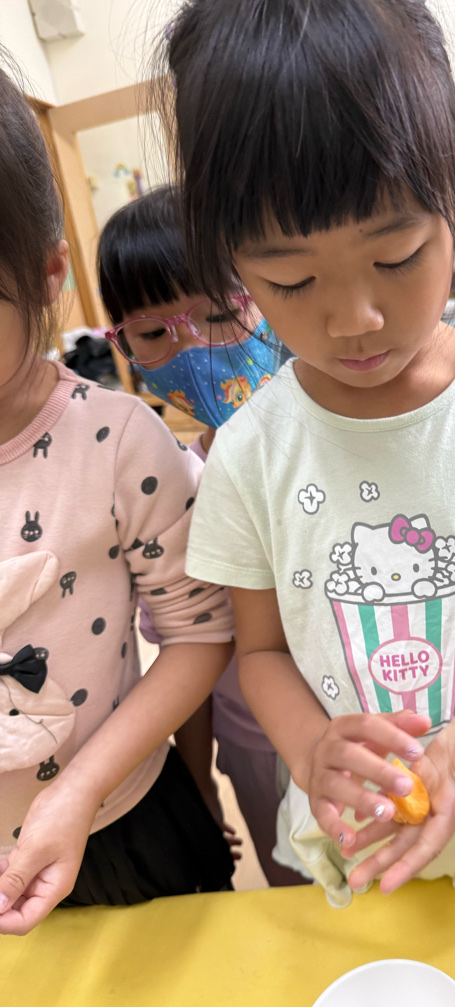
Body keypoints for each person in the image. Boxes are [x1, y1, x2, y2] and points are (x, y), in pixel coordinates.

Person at [159, 0, 455, 908]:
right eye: (291, 279)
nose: (356, 319)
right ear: (230, 255)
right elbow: (260, 652)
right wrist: (309, 747)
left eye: (397, 256)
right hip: (364, 831)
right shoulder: (252, 451)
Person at [0, 62, 236, 936]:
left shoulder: (118, 439)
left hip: (117, 822)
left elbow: (199, 632)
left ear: (48, 274)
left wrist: (84, 788)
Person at [98, 186, 307, 886]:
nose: (191, 347)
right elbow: (192, 654)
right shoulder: (174, 486)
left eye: (218, 314)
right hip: (258, 755)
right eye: (153, 334)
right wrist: (201, 789)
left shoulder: (340, 441)